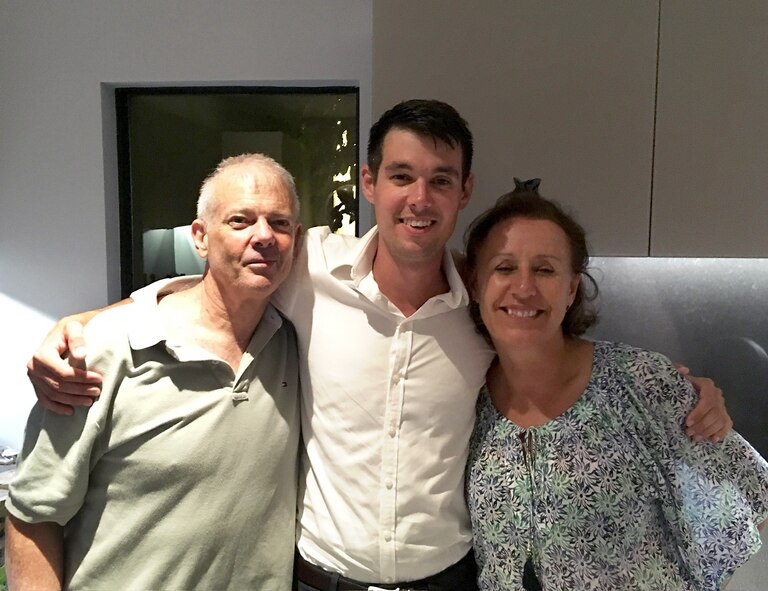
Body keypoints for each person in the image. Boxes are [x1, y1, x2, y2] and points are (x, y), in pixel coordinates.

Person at [26, 101, 732, 591]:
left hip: (447, 580)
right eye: (400, 176)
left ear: (463, 193)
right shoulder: (309, 271)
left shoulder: (484, 303)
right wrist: (85, 321)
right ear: (369, 183)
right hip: (317, 579)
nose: (418, 197)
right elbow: (222, 275)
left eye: (440, 180)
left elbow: (557, 347)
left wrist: (675, 389)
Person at [6, 154, 303, 590]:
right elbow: (33, 515)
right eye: (240, 221)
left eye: (279, 223)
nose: (263, 237)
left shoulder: (294, 344)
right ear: (200, 238)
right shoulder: (102, 352)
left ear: (297, 238)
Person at [463, 180, 768, 591]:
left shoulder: (639, 383)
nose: (523, 287)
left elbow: (754, 498)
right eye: (503, 268)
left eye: (545, 269)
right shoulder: (465, 398)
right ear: (475, 284)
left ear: (571, 288)